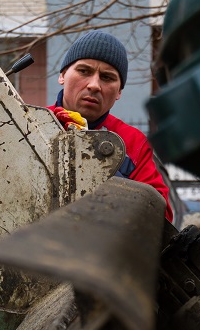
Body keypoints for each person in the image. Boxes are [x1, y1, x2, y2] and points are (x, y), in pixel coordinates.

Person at [48, 30, 174, 223]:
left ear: (119, 92)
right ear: (63, 75)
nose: (94, 85)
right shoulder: (29, 122)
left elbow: (160, 217)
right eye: (84, 71)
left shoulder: (132, 143)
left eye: (107, 77)